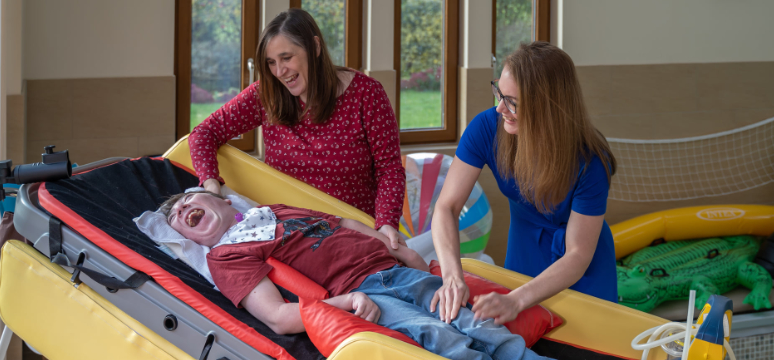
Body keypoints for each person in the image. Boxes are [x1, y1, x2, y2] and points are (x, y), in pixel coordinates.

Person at [161, 191, 550, 360]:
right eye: (177, 218)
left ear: (223, 201)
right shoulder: (226, 256)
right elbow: (278, 317)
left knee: (473, 319)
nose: (182, 211)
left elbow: (342, 221)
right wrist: (345, 303)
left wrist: (402, 249)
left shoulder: (270, 211)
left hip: (391, 268)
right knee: (438, 334)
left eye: (187, 200)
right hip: (361, 292)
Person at [430, 42, 618, 326]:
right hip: (524, 249)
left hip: (580, 266)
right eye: (499, 93)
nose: (499, 108)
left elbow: (578, 254)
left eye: (513, 102)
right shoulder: (486, 129)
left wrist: (517, 299)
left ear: (549, 105)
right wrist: (452, 277)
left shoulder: (589, 160)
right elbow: (447, 207)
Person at [188, 8, 406, 251]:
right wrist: (211, 188)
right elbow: (203, 133)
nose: (280, 72)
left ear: (314, 48)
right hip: (288, 237)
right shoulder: (266, 94)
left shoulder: (367, 94)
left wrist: (387, 222)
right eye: (271, 62)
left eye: (286, 58)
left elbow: (389, 169)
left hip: (354, 236)